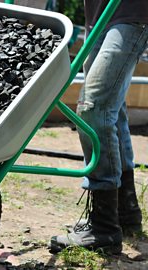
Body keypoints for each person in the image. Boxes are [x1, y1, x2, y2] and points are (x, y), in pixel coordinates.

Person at [49, 0, 148, 254]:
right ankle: (124, 212)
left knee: (94, 109)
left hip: (132, 13)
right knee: (113, 111)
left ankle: (104, 227)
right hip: (99, 13)